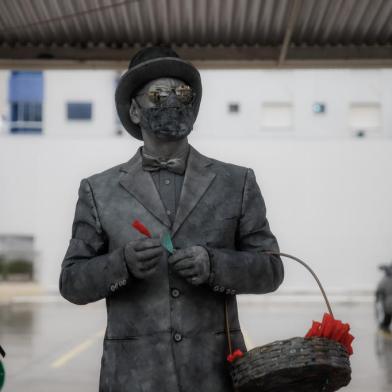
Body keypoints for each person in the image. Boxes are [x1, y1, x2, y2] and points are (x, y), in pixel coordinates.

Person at [59, 46, 284, 392]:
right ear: (134, 110)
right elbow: (72, 282)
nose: (173, 101)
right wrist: (123, 264)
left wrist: (215, 265)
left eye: (182, 93)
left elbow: (271, 270)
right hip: (132, 379)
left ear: (193, 106)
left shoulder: (237, 183)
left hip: (217, 378)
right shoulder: (98, 190)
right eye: (158, 94)